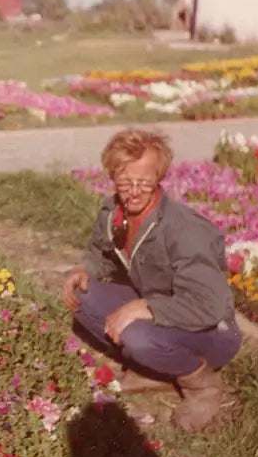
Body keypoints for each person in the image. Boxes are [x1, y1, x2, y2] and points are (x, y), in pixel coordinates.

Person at [62, 129, 241, 432]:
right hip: (163, 307)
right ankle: (154, 370)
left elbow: (208, 306)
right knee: (82, 295)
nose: (133, 192)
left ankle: (203, 385)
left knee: (136, 336)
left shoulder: (184, 230)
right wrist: (84, 268)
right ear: (112, 176)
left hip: (212, 332)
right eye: (124, 182)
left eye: (143, 183)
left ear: (158, 178)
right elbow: (100, 251)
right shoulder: (112, 212)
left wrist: (142, 307)